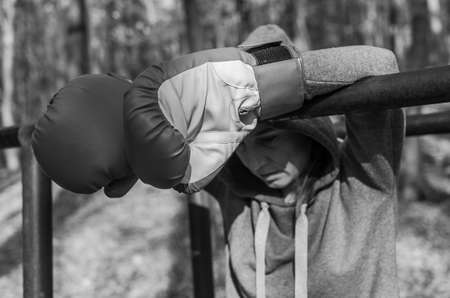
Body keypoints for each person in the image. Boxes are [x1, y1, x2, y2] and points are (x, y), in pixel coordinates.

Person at [202, 25, 405, 298]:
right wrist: (214, 91)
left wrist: (269, 81)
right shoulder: (235, 191)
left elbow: (380, 65)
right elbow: (156, 128)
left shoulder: (363, 182)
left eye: (269, 139)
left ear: (307, 132)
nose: (255, 161)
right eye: (239, 147)